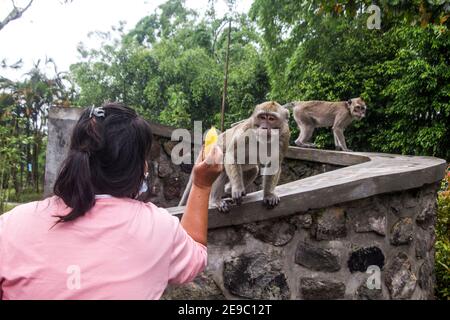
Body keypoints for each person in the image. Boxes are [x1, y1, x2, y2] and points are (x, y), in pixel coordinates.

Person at [0, 102, 223, 299]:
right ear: (137, 167)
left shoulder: (9, 226)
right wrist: (202, 184)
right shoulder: (158, 228)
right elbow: (196, 255)